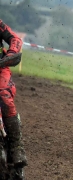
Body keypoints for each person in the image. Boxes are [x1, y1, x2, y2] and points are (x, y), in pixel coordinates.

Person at [0, 19, 27, 167]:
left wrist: (11, 54)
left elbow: (15, 38)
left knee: (4, 95)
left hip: (1, 67)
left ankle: (17, 146)